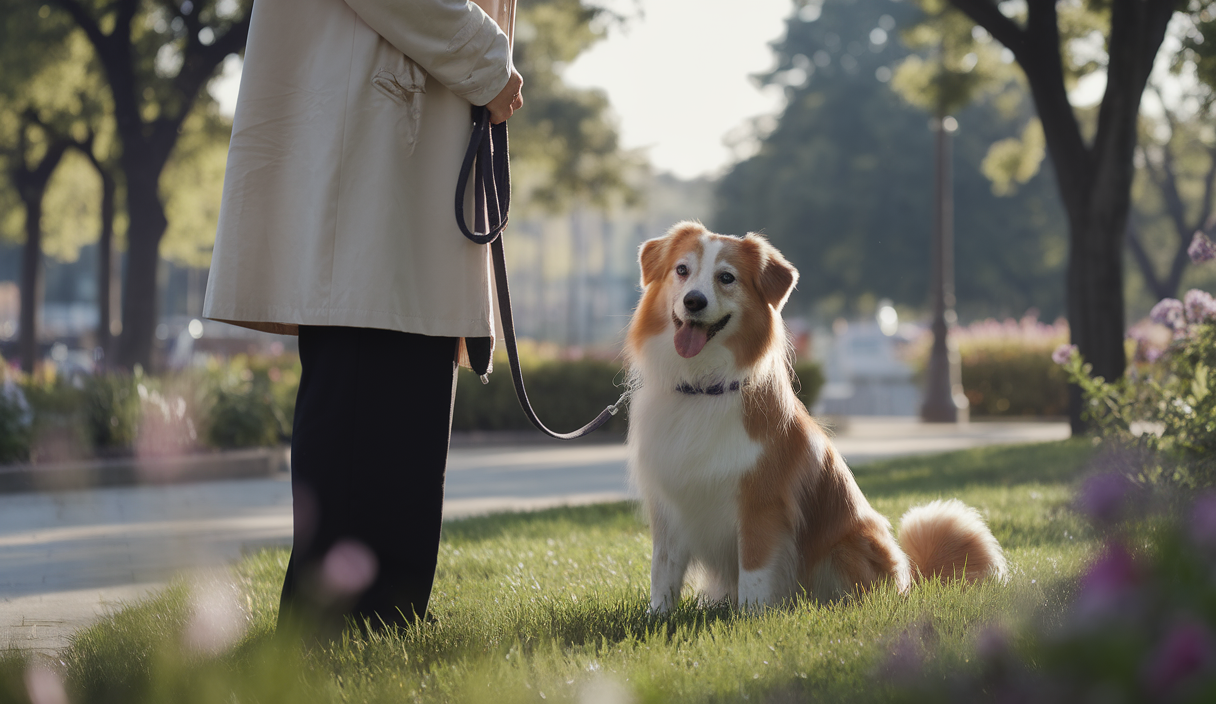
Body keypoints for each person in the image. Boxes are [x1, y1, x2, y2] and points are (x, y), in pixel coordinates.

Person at [202, 0, 522, 634]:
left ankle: (387, 614)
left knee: (404, 381)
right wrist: (487, 60)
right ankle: (337, 625)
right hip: (379, 132)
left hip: (401, 130)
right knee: (370, 366)